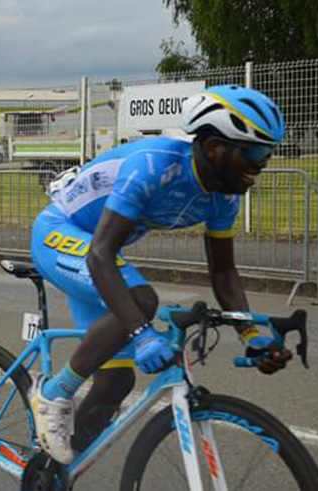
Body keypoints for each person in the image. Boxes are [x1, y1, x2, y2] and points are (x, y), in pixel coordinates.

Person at [28, 85, 293, 464]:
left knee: (116, 382)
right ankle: (53, 394)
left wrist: (251, 335)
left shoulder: (224, 197)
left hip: (97, 252)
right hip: (59, 234)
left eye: (268, 154)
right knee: (142, 302)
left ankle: (50, 473)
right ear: (215, 147)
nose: (262, 164)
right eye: (254, 152)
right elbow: (101, 256)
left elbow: (223, 273)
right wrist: (143, 332)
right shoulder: (154, 166)